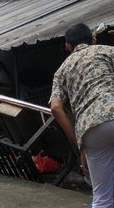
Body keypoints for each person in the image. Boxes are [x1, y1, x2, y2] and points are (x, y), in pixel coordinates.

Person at [49, 23, 114, 208]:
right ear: (93, 39)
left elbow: (56, 107)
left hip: (90, 129)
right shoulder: (106, 51)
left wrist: (80, 141)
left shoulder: (61, 70)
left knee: (102, 197)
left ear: (67, 46)